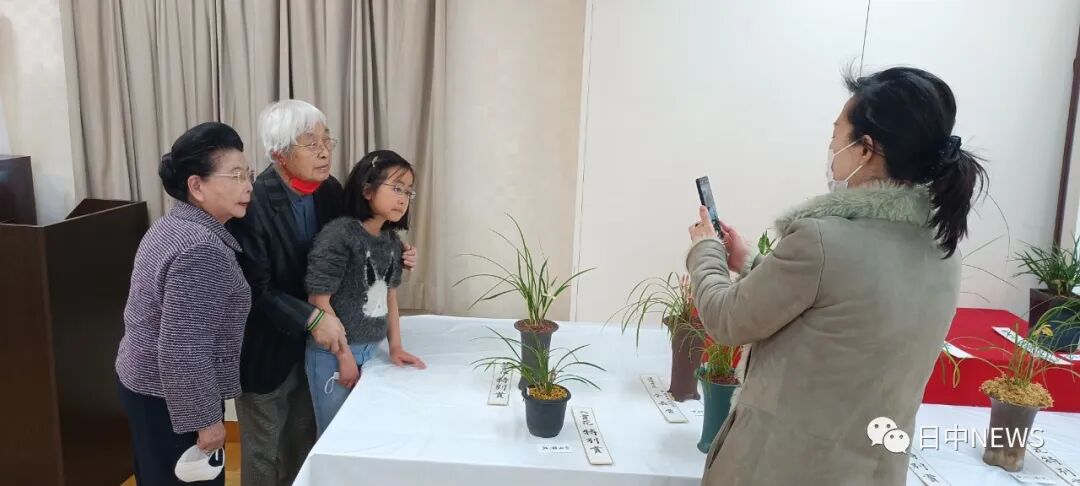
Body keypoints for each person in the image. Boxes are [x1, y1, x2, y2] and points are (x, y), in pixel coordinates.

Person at [686, 67, 987, 486]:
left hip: (784, 469)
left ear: (865, 149)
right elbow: (839, 306)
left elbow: (726, 319)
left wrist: (706, 250)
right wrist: (751, 262)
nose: (830, 147)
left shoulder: (821, 241)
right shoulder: (942, 250)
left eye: (836, 133)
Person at [228, 100, 417, 485]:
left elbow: (354, 245)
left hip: (317, 345)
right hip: (267, 347)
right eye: (310, 143)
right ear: (279, 153)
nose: (324, 151)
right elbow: (254, 289)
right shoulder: (253, 202)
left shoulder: (329, 190)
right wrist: (313, 317)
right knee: (265, 453)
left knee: (305, 442)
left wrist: (395, 255)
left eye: (326, 140)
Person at [115, 122, 254, 485]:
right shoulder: (201, 248)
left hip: (148, 387)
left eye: (248, 174)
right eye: (236, 176)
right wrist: (206, 421)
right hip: (172, 401)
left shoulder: (174, 224)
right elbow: (183, 348)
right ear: (197, 186)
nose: (248, 186)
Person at [304, 150, 428, 436]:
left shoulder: (391, 241)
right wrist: (344, 357)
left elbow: (390, 296)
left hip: (372, 352)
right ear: (367, 190)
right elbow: (318, 301)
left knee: (366, 433)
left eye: (408, 191)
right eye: (396, 188)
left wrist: (396, 347)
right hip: (332, 355)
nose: (403, 198)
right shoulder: (339, 234)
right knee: (335, 435)